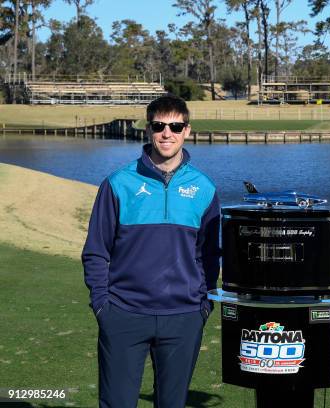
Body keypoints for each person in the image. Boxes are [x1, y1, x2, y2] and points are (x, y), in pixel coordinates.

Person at [82, 94, 220, 408]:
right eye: (159, 126)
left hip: (184, 317)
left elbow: (210, 255)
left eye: (175, 126)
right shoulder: (118, 184)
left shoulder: (205, 188)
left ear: (187, 130)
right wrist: (103, 306)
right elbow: (96, 252)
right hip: (124, 313)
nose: (166, 133)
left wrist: (204, 304)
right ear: (148, 130)